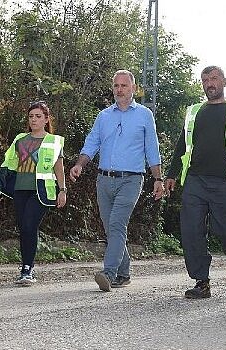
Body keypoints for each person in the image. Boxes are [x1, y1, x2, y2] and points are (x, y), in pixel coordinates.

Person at [69, 69, 164, 292]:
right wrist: (79, 165)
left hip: (131, 180)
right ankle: (124, 273)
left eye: (124, 86)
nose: (119, 90)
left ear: (133, 88)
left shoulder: (144, 115)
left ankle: (109, 273)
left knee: (116, 224)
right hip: (104, 179)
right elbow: (92, 142)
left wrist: (158, 178)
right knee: (111, 229)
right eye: (116, 86)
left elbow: (152, 148)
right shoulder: (104, 116)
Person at [164, 65, 226, 299]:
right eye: (205, 80)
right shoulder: (195, 112)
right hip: (195, 180)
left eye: (214, 78)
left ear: (224, 81)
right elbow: (182, 144)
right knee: (191, 231)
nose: (210, 83)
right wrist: (172, 174)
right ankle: (202, 282)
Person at [0, 101, 67, 286]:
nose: (34, 120)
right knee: (24, 228)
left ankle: (28, 269)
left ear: (46, 119)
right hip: (20, 189)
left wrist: (62, 190)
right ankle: (26, 267)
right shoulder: (20, 139)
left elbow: (59, 167)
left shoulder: (53, 141)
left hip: (41, 191)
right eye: (31, 116)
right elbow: (8, 163)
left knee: (28, 225)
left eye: (38, 116)